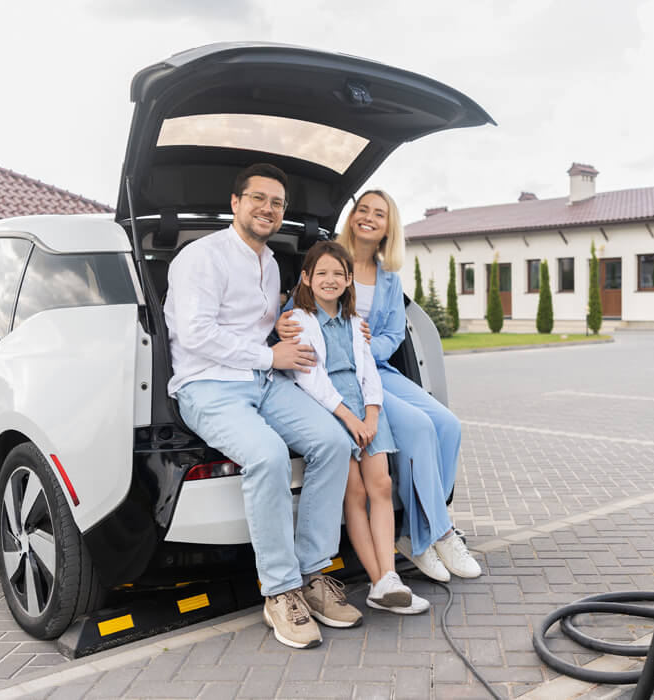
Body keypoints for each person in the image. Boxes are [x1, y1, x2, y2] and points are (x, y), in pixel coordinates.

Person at [164, 163, 361, 650]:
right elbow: (196, 334)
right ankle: (280, 591)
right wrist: (268, 353)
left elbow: (266, 321)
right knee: (268, 456)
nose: (268, 209)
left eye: (276, 203)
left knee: (334, 442)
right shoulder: (200, 257)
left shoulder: (271, 261)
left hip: (265, 381)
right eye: (258, 198)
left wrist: (291, 325)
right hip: (207, 385)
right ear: (235, 203)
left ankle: (314, 575)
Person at [278, 190, 481, 582]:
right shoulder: (328, 258)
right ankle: (432, 534)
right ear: (352, 217)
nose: (369, 218)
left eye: (380, 214)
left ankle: (420, 531)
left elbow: (392, 334)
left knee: (447, 424)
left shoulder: (389, 279)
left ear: (390, 227)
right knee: (420, 428)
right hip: (342, 376)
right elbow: (294, 312)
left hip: (378, 369)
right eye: (363, 210)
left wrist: (367, 347)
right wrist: (278, 325)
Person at [286, 240, 430, 615]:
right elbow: (310, 379)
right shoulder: (300, 322)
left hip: (365, 412)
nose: (330, 280)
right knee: (355, 493)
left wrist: (370, 416)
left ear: (350, 280)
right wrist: (348, 419)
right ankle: (377, 578)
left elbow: (369, 373)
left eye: (338, 273)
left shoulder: (355, 323)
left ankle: (389, 579)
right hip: (331, 411)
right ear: (306, 278)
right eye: (322, 273)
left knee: (381, 485)